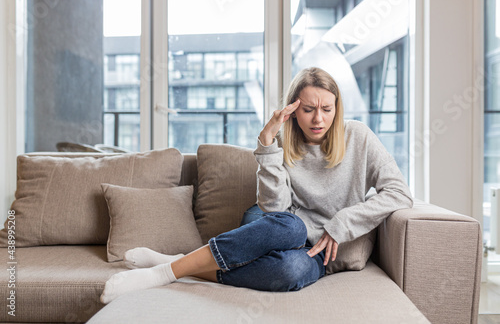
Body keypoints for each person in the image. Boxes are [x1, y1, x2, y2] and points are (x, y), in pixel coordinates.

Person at [100, 67, 413, 304]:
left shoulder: (359, 137)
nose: (318, 119)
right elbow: (274, 210)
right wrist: (267, 145)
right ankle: (161, 275)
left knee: (291, 273)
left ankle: (180, 263)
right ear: (293, 109)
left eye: (327, 109)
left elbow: (399, 193)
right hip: (277, 226)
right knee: (291, 227)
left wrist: (341, 223)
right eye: (308, 109)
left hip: (319, 246)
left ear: (337, 108)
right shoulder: (281, 141)